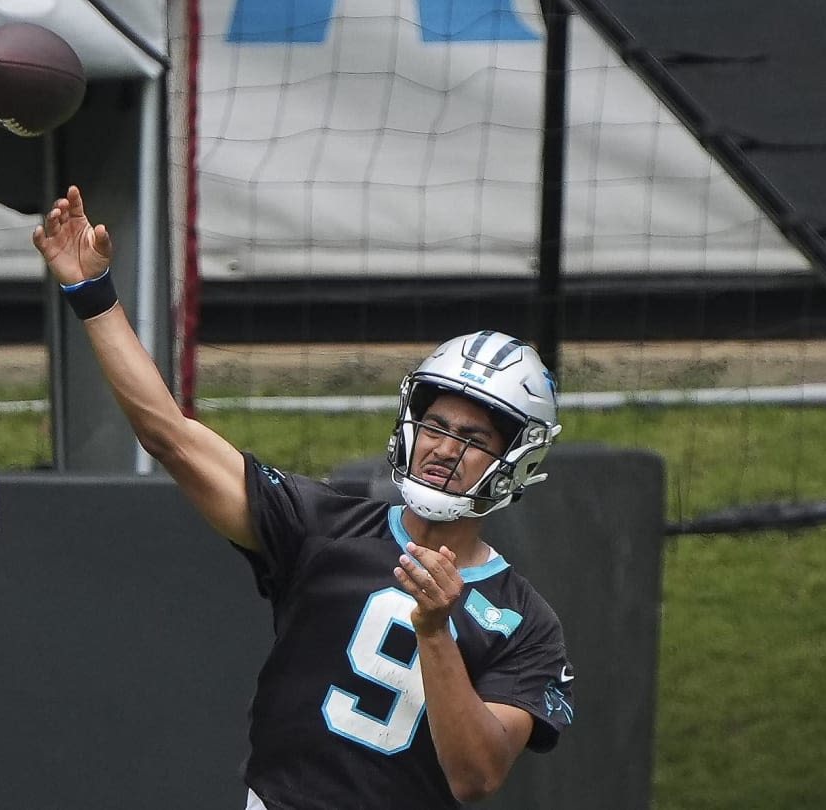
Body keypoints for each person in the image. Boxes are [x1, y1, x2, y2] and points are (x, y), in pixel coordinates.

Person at [34, 186, 576, 809]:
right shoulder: (327, 524)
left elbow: (475, 776)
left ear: (516, 459)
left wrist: (435, 632)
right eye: (435, 425)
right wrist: (93, 295)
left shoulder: (527, 624)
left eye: (472, 437)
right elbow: (170, 436)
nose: (443, 449)